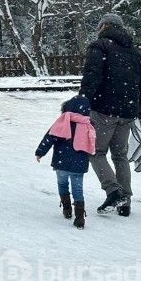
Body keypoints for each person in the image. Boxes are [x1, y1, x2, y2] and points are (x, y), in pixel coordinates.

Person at [78, 12, 141, 217]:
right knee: (120, 155)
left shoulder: (100, 46)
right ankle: (125, 199)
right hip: (128, 112)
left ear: (103, 27)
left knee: (95, 151)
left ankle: (113, 191)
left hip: (103, 109)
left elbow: (92, 77)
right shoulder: (133, 52)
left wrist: (82, 102)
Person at [35, 95, 96, 229]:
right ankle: (80, 218)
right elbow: (93, 142)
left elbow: (49, 137)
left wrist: (40, 152)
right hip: (79, 165)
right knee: (78, 190)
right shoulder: (89, 125)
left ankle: (67, 209)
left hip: (62, 163)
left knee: (62, 184)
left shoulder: (63, 122)